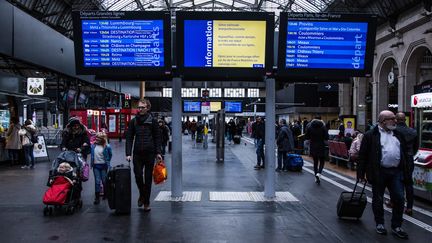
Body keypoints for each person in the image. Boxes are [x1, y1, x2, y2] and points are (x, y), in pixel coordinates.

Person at [357, 110, 410, 239]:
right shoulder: (371, 135)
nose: (395, 121)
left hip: (396, 171)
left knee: (399, 198)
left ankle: (396, 225)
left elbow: (405, 153)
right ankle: (380, 223)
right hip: (378, 171)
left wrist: (406, 170)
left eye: (395, 118)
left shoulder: (398, 134)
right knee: (378, 198)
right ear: (382, 121)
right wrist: (360, 173)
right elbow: (363, 155)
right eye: (392, 118)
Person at [126, 98, 162, 212]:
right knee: (137, 176)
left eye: (142, 107)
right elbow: (129, 138)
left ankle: (146, 202)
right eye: (139, 107)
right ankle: (142, 194)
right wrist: (128, 153)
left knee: (147, 179)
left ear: (148, 108)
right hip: (137, 153)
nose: (140, 109)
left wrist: (158, 153)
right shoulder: (133, 121)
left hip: (150, 153)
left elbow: (157, 137)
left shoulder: (153, 121)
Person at [395, 112, 418, 216]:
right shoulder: (413, 131)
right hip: (409, 158)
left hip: (397, 158)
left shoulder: (393, 131)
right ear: (405, 120)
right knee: (409, 183)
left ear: (396, 119)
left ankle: (395, 202)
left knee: (395, 181)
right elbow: (416, 147)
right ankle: (409, 207)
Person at [305, 116, 328, 185]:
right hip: (321, 146)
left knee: (315, 162)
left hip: (313, 146)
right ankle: (319, 173)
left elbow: (307, 137)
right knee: (322, 161)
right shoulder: (323, 127)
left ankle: (316, 176)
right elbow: (326, 137)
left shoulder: (310, 127)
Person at [90, 132, 112, 205]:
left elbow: (110, 155)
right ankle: (97, 198)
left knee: (104, 181)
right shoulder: (93, 146)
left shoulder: (107, 146)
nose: (96, 139)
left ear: (102, 139)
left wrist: (107, 162)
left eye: (98, 138)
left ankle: (106, 194)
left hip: (103, 166)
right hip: (96, 166)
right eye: (96, 137)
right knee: (97, 181)